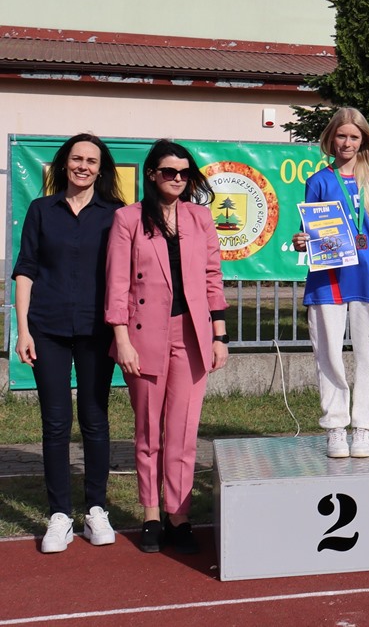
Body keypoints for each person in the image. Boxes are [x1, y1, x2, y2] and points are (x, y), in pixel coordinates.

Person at [105, 139, 228, 553]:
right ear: (152, 174)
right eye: (169, 171)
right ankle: (151, 515)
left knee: (183, 432)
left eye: (184, 172)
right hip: (143, 335)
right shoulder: (128, 219)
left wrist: (219, 335)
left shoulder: (200, 217)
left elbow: (212, 278)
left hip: (192, 335)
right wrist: (122, 339)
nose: (177, 178)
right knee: (148, 433)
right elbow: (117, 283)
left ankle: (179, 516)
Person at [13, 134, 125, 553]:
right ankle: (59, 514)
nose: (83, 166)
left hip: (97, 330)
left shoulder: (116, 214)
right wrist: (23, 330)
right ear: (64, 164)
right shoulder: (41, 210)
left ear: (101, 168)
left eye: (91, 161)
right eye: (77, 158)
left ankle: (96, 509)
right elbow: (26, 270)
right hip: (47, 329)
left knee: (95, 420)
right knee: (56, 423)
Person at [291, 107, 369, 459]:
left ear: (363, 140)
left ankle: (363, 427)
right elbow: (311, 231)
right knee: (328, 354)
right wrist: (301, 241)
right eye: (341, 135)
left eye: (354, 137)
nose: (347, 143)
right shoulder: (318, 181)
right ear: (331, 138)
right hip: (328, 279)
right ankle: (336, 426)